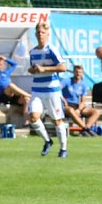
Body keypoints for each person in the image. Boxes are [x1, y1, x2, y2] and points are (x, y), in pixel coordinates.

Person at [27, 21, 68, 157]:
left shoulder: (52, 49)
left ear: (47, 34)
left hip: (52, 91)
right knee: (33, 117)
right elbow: (34, 68)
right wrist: (32, 70)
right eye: (38, 32)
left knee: (57, 121)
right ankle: (47, 140)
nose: (40, 35)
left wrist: (45, 68)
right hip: (37, 90)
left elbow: (63, 67)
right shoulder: (32, 52)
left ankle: (63, 149)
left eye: (43, 32)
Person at [62, 64, 100, 136]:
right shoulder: (67, 81)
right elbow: (57, 91)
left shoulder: (83, 84)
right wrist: (63, 100)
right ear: (73, 72)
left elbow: (83, 100)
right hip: (66, 105)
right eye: (76, 72)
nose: (78, 74)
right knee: (70, 110)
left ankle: (85, 130)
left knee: (96, 112)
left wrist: (79, 109)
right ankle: (86, 129)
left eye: (80, 72)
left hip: (76, 105)